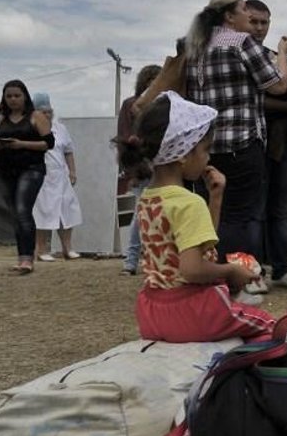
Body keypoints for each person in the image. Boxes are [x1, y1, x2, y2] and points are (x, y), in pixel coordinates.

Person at [116, 91, 274, 343]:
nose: (208, 157)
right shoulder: (188, 203)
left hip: (153, 314)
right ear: (183, 154)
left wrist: (216, 199)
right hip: (192, 311)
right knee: (271, 326)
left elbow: (198, 247)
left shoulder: (149, 198)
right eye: (205, 149)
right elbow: (192, 269)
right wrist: (231, 272)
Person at [183, 0, 287, 290]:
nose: (248, 15)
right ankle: (238, 280)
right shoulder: (241, 42)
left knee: (212, 216)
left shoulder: (196, 45)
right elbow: (279, 85)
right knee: (241, 218)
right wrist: (282, 54)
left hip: (205, 147)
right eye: (244, 10)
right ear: (230, 16)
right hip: (242, 142)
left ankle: (212, 277)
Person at [248, 0, 287, 291]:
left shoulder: (276, 56)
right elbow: (254, 97)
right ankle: (252, 272)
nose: (259, 28)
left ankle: (281, 269)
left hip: (283, 143)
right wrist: (282, 101)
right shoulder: (240, 55)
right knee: (254, 210)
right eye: (254, 21)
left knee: (280, 209)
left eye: (264, 22)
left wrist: (286, 86)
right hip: (253, 142)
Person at [0, 80, 53, 274]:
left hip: (31, 168)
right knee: (16, 214)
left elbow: (48, 144)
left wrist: (21, 144)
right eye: (9, 96)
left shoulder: (36, 117)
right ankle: (22, 257)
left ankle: (28, 258)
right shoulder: (0, 120)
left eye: (17, 95)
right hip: (6, 170)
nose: (13, 100)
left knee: (22, 209)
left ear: (24, 96)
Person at [118, 64, 162, 275]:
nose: (153, 85)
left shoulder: (165, 105)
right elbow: (125, 139)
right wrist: (133, 170)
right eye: (149, 81)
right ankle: (131, 260)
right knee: (140, 215)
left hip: (163, 164)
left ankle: (153, 260)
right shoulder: (130, 105)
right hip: (142, 167)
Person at [31, 93, 82, 261]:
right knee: (44, 212)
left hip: (62, 175)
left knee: (68, 210)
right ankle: (42, 250)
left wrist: (72, 171)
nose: (47, 115)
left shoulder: (60, 128)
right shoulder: (31, 128)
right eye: (43, 112)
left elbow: (68, 150)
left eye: (49, 111)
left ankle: (67, 248)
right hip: (43, 176)